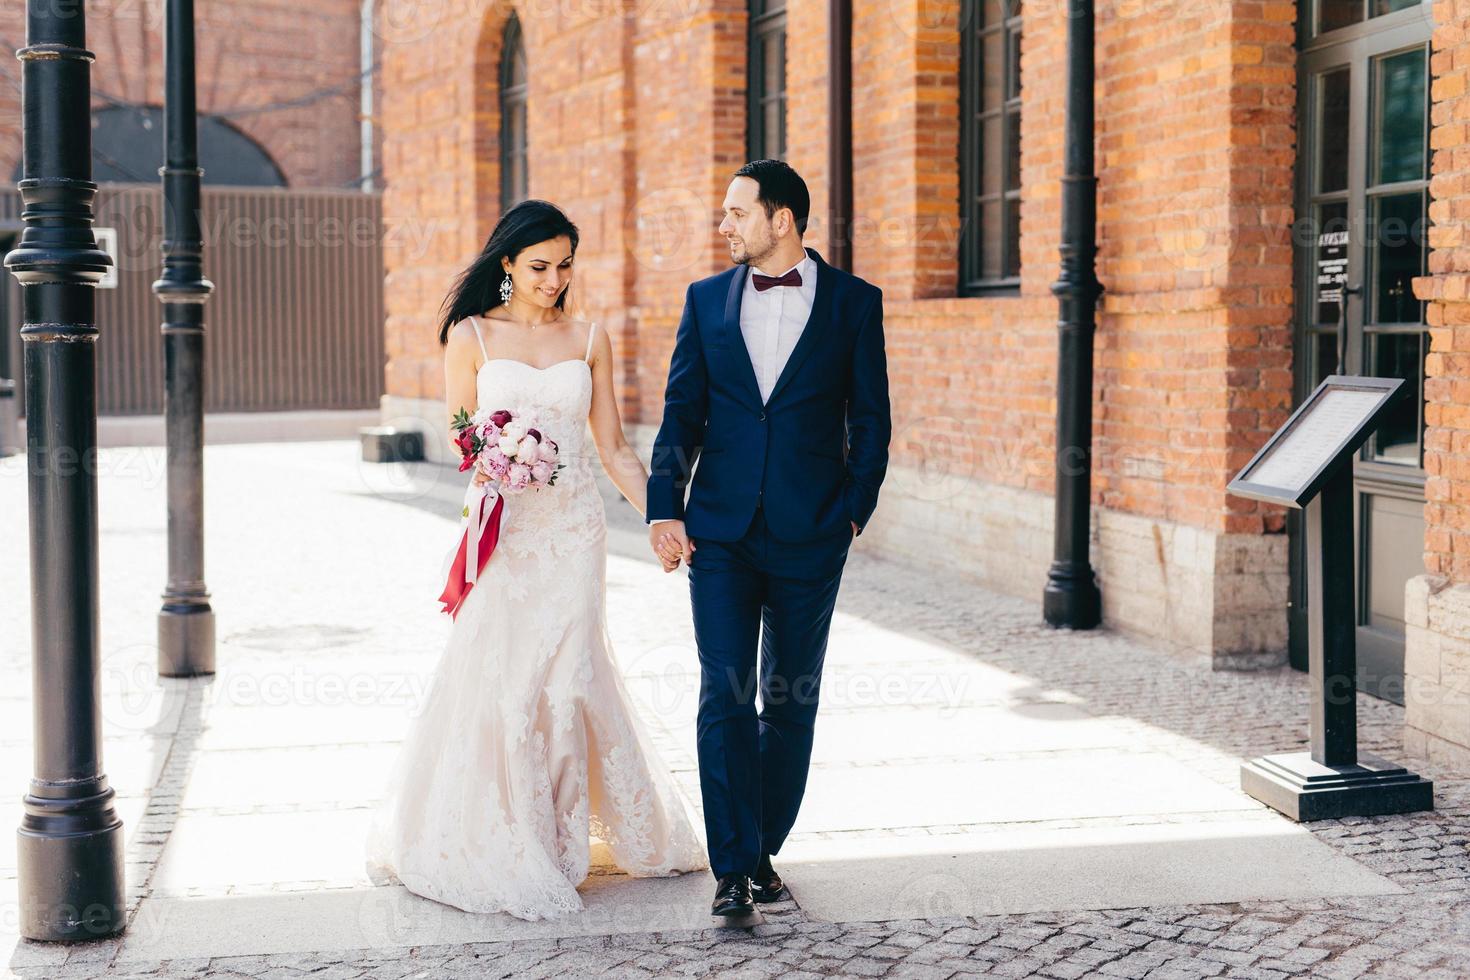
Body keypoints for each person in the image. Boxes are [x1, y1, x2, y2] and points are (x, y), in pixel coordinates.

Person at [364, 199, 707, 920]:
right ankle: (516, 838)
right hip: (507, 530)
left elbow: (612, 447)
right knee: (511, 680)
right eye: (540, 266)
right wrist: (498, 459)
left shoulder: (589, 337)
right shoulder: (473, 338)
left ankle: (565, 836)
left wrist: (660, 515)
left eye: (565, 266)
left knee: (569, 677)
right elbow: (463, 434)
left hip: (575, 531)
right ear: (508, 266)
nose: (554, 279)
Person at [645, 159, 892, 916]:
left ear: (779, 219)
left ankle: (762, 847)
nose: (723, 225)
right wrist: (665, 506)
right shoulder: (705, 301)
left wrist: (852, 509)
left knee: (789, 699)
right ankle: (733, 871)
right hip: (719, 532)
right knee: (725, 692)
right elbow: (682, 411)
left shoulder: (853, 303)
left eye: (735, 212)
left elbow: (872, 418)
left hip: (810, 533)